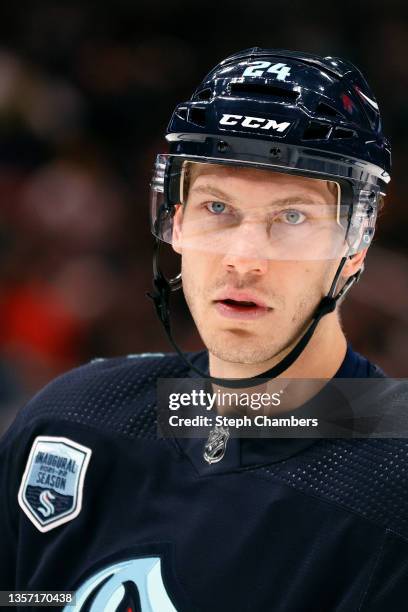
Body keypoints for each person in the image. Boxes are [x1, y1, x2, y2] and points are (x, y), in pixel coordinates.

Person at [0, 47, 407, 611]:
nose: (244, 258)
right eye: (217, 207)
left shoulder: (395, 481)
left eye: (292, 217)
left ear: (356, 245)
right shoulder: (71, 421)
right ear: (175, 217)